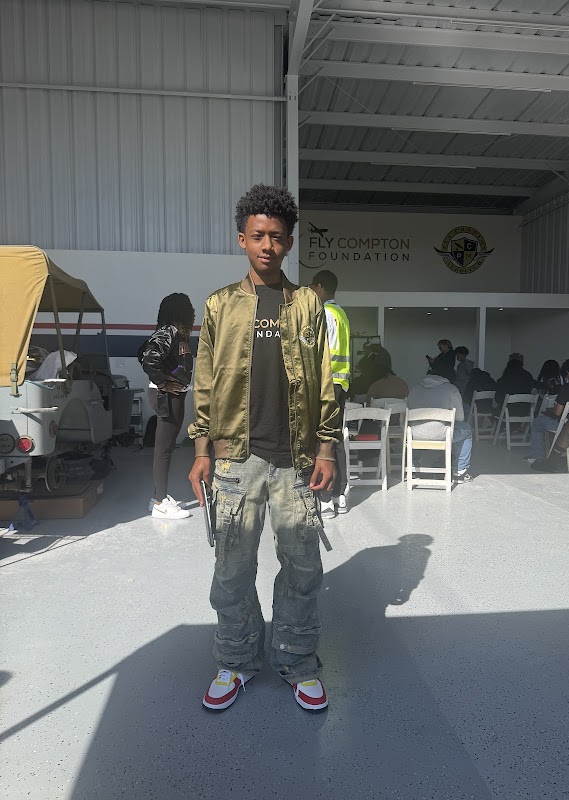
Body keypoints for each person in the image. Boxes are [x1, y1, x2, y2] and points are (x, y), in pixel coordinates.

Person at [187, 184, 340, 713]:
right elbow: (205, 382)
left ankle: (298, 661)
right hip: (236, 459)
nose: (267, 245)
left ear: (290, 242)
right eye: (258, 236)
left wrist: (327, 449)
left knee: (302, 568)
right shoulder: (220, 305)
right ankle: (236, 659)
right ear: (242, 240)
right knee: (232, 568)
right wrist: (201, 450)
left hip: (296, 460)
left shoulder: (308, 304)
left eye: (276, 236)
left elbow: (326, 379)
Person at [140, 293, 195, 520]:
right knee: (163, 450)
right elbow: (148, 358)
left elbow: (143, 352)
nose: (193, 313)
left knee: (167, 448)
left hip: (171, 395)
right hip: (166, 395)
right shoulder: (168, 331)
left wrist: (168, 377)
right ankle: (160, 503)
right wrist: (163, 382)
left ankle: (157, 497)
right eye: (190, 309)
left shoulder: (172, 333)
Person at [310, 269, 351, 519]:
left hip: (327, 384)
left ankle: (325, 500)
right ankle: (339, 495)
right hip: (341, 383)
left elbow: (320, 351)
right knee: (336, 440)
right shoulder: (341, 314)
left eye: (312, 288)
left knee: (322, 441)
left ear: (320, 287)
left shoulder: (324, 313)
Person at [407, 363, 473, 483]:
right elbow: (460, 418)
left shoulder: (414, 388)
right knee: (466, 429)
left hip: (414, 434)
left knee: (419, 428)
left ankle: (412, 468)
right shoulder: (451, 389)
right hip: (442, 435)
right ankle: (459, 472)